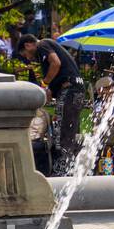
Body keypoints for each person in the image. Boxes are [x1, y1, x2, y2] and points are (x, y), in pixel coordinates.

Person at [17, 33, 84, 173]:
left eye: (25, 55)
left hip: (69, 91)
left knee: (61, 137)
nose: (28, 59)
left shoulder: (42, 44)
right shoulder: (46, 49)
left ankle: (62, 172)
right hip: (73, 91)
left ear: (27, 45)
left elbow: (56, 63)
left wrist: (44, 83)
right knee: (67, 132)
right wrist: (49, 92)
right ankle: (69, 168)